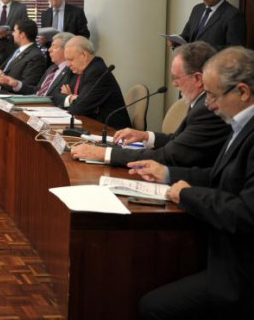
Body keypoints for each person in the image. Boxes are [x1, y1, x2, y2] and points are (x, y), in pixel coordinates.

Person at [130, 46, 254, 318]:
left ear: (243, 92)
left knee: (153, 307)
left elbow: (246, 213)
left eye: (214, 95)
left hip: (241, 271)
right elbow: (220, 177)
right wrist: (168, 175)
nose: (209, 105)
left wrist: (188, 195)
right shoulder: (240, 125)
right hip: (222, 250)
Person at [71, 41, 230, 166]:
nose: (174, 84)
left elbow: (170, 155)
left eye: (176, 78)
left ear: (198, 79)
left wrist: (104, 154)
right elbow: (178, 140)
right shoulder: (199, 101)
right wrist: (145, 136)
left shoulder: (207, 108)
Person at [52, 36, 130, 128]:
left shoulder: (97, 72)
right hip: (87, 124)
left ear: (84, 55)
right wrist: (71, 98)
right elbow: (55, 94)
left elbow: (78, 108)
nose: (68, 64)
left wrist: (73, 100)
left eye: (71, 59)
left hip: (110, 130)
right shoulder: (75, 70)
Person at [176, 0, 246, 50]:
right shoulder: (197, 9)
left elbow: (235, 48)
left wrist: (206, 50)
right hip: (191, 57)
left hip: (213, 57)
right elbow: (186, 35)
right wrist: (176, 41)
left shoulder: (233, 15)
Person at [0, 32, 73, 96]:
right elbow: (38, 91)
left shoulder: (71, 71)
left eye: (54, 47)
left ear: (66, 49)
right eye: (50, 46)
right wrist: (16, 84)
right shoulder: (51, 69)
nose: (49, 49)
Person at [0, 19, 46, 93]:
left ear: (22, 35)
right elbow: (1, 72)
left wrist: (1, 75)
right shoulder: (17, 51)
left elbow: (27, 87)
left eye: (15, 31)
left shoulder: (36, 56)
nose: (12, 34)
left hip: (11, 97)